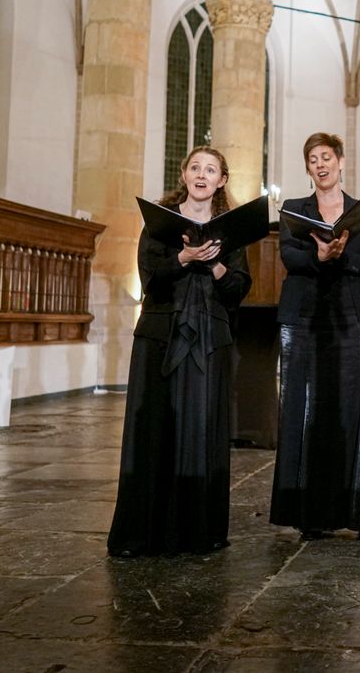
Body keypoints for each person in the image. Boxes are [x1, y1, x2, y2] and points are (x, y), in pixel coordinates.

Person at [108, 146, 252, 557]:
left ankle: (197, 531)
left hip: (209, 338)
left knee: (202, 428)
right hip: (160, 334)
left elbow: (240, 288)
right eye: (195, 167)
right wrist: (183, 258)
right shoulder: (159, 221)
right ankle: (142, 533)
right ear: (184, 174)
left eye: (211, 169)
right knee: (153, 429)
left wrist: (218, 266)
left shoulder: (231, 231)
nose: (202, 174)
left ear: (222, 180)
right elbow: (149, 278)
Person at [270, 132, 360, 541]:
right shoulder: (295, 209)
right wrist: (317, 256)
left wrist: (341, 257)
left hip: (349, 317)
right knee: (305, 411)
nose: (320, 164)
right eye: (312, 159)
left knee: (356, 408)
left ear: (340, 161)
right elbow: (288, 255)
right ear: (308, 168)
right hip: (305, 318)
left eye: (326, 157)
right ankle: (310, 512)